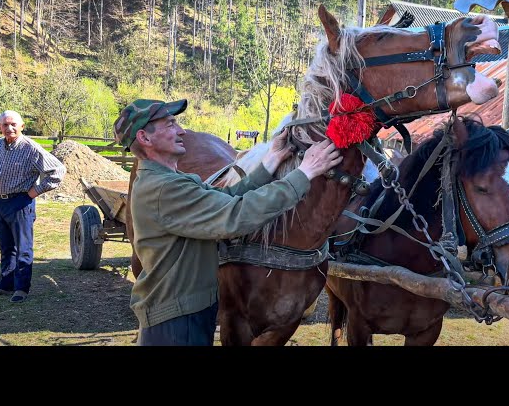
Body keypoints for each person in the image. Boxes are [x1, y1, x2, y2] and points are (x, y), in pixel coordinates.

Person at [114, 98, 342, 346]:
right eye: (169, 125)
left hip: (183, 314)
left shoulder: (171, 181)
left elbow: (225, 198)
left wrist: (269, 163)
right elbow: (236, 215)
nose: (181, 131)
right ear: (145, 139)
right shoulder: (163, 189)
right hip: (175, 325)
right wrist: (304, 173)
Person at [0, 110, 66, 303]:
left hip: (20, 202)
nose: (9, 128)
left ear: (21, 126)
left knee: (23, 248)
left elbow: (58, 170)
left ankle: (21, 288)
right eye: (5, 125)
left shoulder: (30, 148)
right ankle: (5, 285)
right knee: (6, 247)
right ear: (0, 128)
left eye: (13, 124)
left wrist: (35, 191)